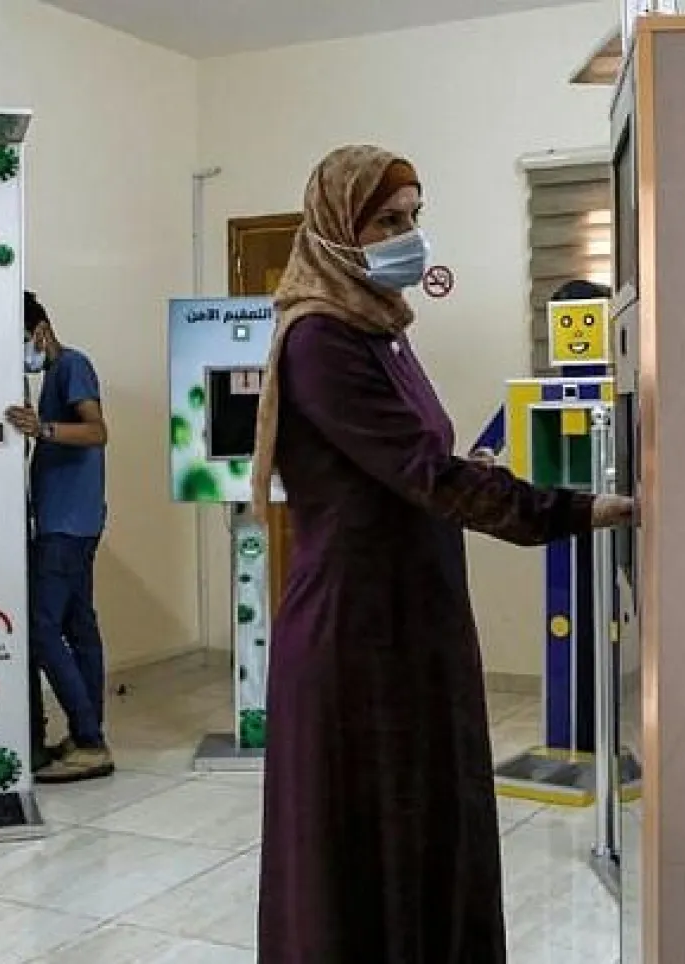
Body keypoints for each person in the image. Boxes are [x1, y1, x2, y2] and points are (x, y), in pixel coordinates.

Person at [249, 145, 635, 963]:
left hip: (414, 616)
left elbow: (411, 465)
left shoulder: (383, 331)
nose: (408, 236)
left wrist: (474, 474)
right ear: (335, 230)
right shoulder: (321, 339)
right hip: (356, 631)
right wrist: (575, 509)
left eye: (415, 217)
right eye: (388, 221)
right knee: (372, 834)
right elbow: (424, 472)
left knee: (427, 818)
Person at [5, 291, 114, 784]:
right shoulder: (52, 376)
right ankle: (88, 735)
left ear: (41, 330)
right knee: (78, 629)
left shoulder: (72, 366)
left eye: (22, 338)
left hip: (65, 528)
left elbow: (96, 432)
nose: (22, 349)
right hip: (73, 522)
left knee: (41, 629)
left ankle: (89, 740)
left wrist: (41, 429)